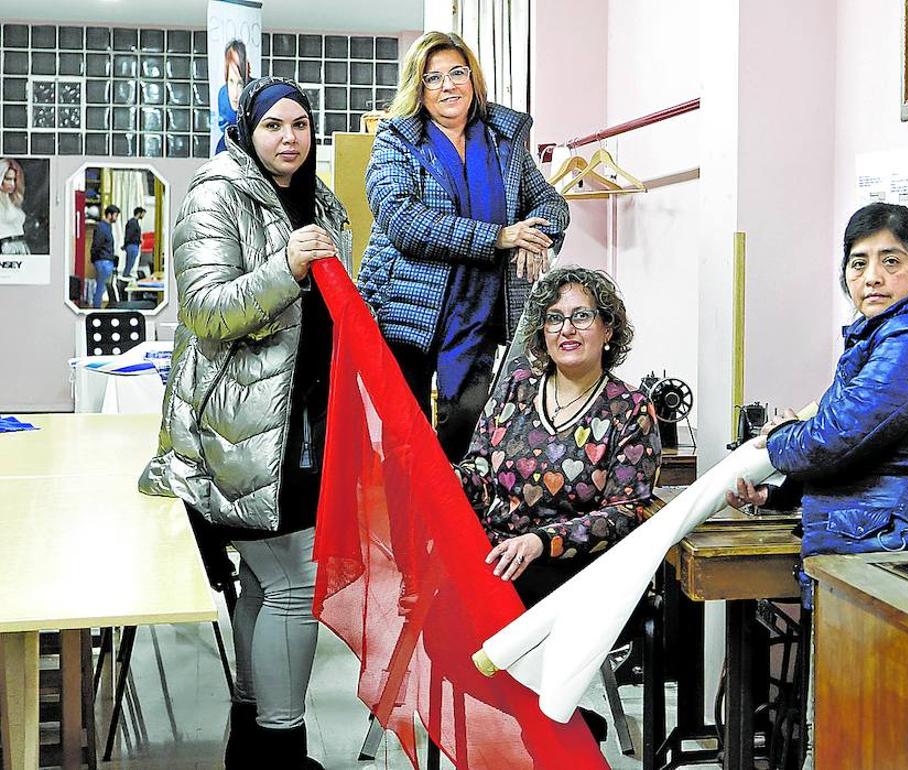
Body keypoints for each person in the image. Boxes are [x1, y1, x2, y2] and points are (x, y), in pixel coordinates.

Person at [139, 76, 348, 769]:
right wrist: (285, 267)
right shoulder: (214, 194)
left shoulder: (320, 199)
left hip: (300, 426)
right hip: (239, 432)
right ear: (247, 132)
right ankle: (283, 748)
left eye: (301, 125)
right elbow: (205, 311)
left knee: (264, 580)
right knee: (295, 581)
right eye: (273, 126)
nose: (290, 138)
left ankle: (254, 742)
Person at [454, 266, 661, 740]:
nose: (566, 329)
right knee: (443, 600)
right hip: (498, 553)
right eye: (553, 318)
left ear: (609, 330)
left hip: (576, 573)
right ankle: (550, 723)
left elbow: (627, 513)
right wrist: (443, 477)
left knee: (490, 614)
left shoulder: (631, 409)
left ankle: (537, 728)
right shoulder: (516, 389)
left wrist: (540, 541)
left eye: (582, 316)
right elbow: (481, 470)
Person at [357, 31, 570, 463]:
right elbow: (403, 221)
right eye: (433, 78)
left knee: (468, 434)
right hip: (405, 312)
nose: (448, 86)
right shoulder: (396, 141)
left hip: (479, 312)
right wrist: (500, 236)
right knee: (404, 441)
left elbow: (550, 202)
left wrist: (535, 235)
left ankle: (456, 528)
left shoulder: (502, 140)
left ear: (474, 79)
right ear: (418, 88)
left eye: (457, 73)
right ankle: (408, 529)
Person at [727, 202, 908, 563]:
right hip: (869, 534)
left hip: (890, 544)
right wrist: (777, 493)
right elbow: (861, 453)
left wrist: (782, 435)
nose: (872, 277)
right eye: (859, 263)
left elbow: (836, 437)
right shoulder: (880, 334)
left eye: (891, 261)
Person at [215, 39, 252, 154]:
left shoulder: (256, 92)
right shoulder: (223, 94)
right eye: (231, 82)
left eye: (240, 83)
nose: (235, 94)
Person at [90, 204, 120, 308]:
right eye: (115, 215)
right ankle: (96, 310)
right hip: (103, 261)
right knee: (101, 288)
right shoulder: (102, 227)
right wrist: (94, 259)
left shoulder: (107, 227)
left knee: (101, 287)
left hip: (105, 260)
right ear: (109, 215)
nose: (116, 218)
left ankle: (97, 308)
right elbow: (97, 245)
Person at [0, 158, 31, 255]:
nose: (12, 184)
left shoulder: (14, 200)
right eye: (8, 179)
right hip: (5, 247)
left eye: (14, 179)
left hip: (20, 245)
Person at [121, 206, 145, 279]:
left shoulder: (134, 222)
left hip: (133, 245)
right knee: (130, 262)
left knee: (131, 262)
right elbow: (129, 234)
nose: (143, 215)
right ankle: (125, 276)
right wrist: (125, 245)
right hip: (132, 245)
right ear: (139, 213)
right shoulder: (133, 222)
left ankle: (126, 274)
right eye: (143, 213)